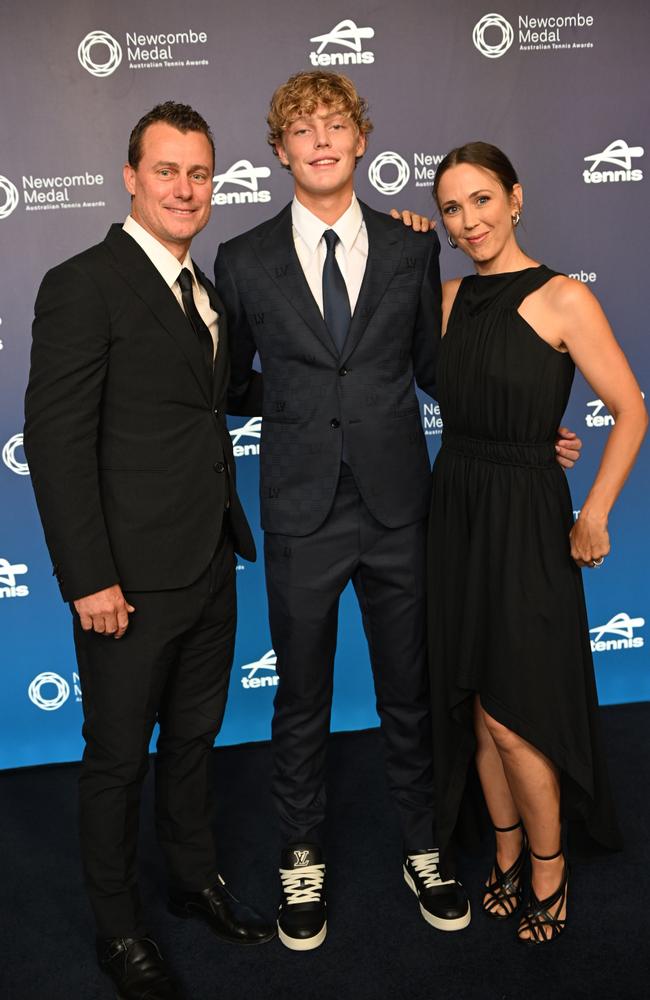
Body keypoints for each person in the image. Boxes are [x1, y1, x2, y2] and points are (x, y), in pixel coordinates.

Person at [214, 72, 581, 951]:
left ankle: (424, 844)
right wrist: (303, 405)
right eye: (302, 129)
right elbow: (230, 383)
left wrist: (528, 434)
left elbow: (436, 369)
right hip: (300, 511)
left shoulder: (415, 249)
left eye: (336, 123)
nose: (322, 139)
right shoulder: (241, 258)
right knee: (299, 698)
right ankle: (301, 855)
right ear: (280, 152)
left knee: (412, 694)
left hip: (397, 509)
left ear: (361, 139)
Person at [24, 102, 273, 1000]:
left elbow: (222, 397)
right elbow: (54, 442)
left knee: (196, 740)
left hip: (210, 560)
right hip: (124, 579)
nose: (185, 187)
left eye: (199, 173)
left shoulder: (201, 287)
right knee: (118, 757)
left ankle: (192, 878)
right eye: (166, 170)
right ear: (130, 177)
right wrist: (89, 577)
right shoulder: (83, 282)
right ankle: (119, 929)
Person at [427, 141, 647, 944]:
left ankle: (550, 870)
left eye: (482, 199)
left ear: (515, 199)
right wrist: (408, 234)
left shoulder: (564, 299)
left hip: (525, 515)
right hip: (455, 508)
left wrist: (594, 513)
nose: (469, 219)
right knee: (479, 709)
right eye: (452, 208)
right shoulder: (445, 299)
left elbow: (631, 409)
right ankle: (507, 849)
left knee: (518, 712)